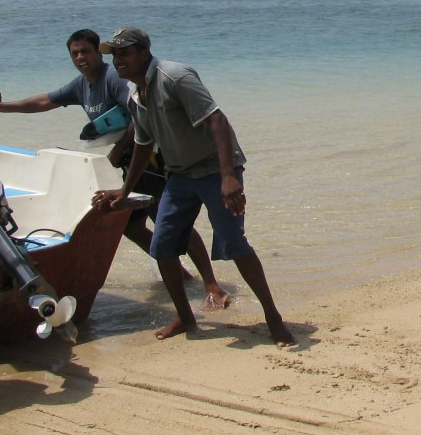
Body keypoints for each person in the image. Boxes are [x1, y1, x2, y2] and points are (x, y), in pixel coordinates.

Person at [0, 28, 228, 309]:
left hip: (150, 160)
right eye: (75, 53)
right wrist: (2, 107)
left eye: (86, 51)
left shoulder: (113, 79)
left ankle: (211, 284)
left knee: (174, 223)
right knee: (131, 227)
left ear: (97, 54)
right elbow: (44, 101)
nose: (80, 57)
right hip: (125, 166)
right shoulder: (81, 86)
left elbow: (140, 116)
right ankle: (180, 276)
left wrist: (113, 156)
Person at [91, 27, 295, 347]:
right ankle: (186, 319)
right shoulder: (135, 94)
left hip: (216, 170)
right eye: (114, 55)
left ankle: (273, 318)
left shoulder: (174, 76)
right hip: (180, 174)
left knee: (234, 244)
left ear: (144, 51)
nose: (117, 60)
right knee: (163, 245)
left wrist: (229, 176)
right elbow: (144, 144)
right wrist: (125, 190)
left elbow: (218, 120)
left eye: (124, 52)